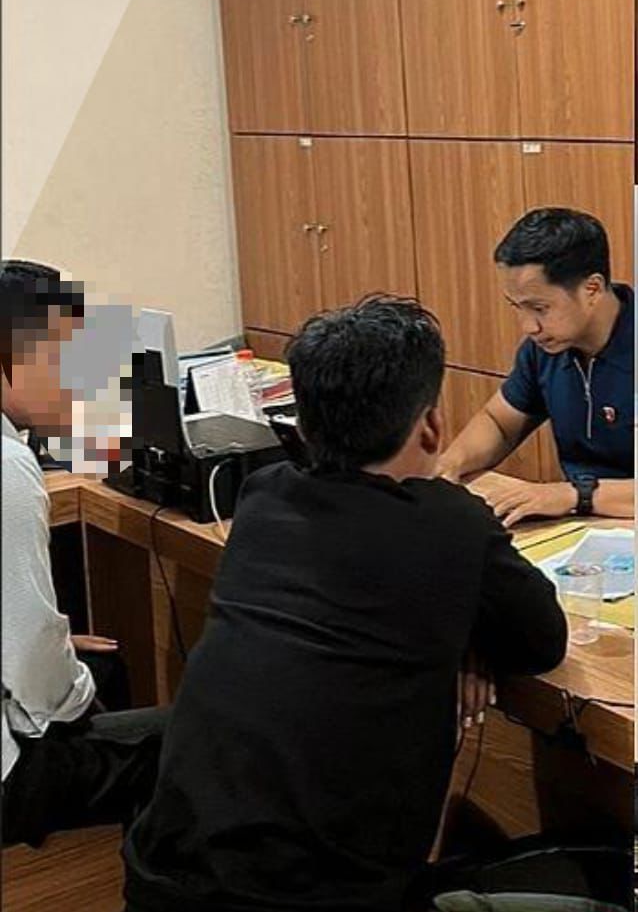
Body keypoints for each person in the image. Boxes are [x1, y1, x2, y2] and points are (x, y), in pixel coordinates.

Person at [123, 295, 567, 912]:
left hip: (159, 882)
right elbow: (542, 640)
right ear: (432, 426)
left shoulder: (263, 496)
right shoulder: (451, 526)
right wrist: (471, 630)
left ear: (302, 427)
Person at [1, 259, 165, 848]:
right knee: (186, 741)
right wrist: (73, 684)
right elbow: (34, 672)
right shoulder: (7, 469)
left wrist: (58, 648)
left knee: (100, 664)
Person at [439, 208, 633, 527]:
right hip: (583, 527)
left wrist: (574, 495)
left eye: (539, 308)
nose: (528, 326)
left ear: (592, 289)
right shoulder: (545, 348)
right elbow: (500, 423)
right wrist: (450, 465)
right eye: (517, 307)